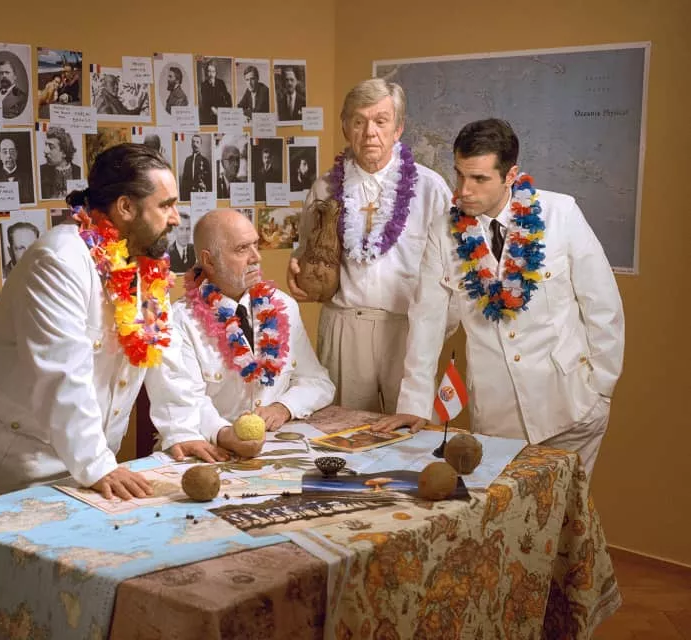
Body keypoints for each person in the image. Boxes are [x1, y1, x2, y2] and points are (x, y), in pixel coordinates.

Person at [0, 144, 182, 502]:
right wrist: (96, 464)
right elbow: (62, 372)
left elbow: (164, 356)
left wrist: (185, 430)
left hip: (84, 456)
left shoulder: (146, 265)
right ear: (125, 207)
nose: (176, 218)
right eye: (166, 205)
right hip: (12, 458)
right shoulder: (59, 259)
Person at [374, 119, 625, 477]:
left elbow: (603, 306)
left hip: (572, 407)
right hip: (496, 419)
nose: (464, 190)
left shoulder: (561, 214)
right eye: (460, 175)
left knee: (569, 510)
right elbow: (426, 319)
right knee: (506, 511)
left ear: (510, 176)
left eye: (479, 179)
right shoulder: (443, 232)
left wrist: (600, 389)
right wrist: (415, 404)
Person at [287, 78, 451, 413]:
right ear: (345, 128)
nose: (369, 133)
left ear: (398, 128)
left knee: (413, 428)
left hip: (407, 329)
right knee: (341, 430)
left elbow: (452, 271)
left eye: (381, 121)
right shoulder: (324, 188)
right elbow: (306, 250)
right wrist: (298, 271)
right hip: (345, 326)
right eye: (359, 122)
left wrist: (434, 331)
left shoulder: (431, 189)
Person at [149, 208, 335, 460]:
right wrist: (224, 434)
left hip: (272, 450)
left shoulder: (284, 306)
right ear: (209, 261)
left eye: (255, 245)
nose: (256, 257)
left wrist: (283, 407)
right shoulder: (180, 320)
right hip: (205, 450)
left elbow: (318, 382)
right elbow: (184, 401)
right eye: (241, 249)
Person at [40, 127, 82, 200]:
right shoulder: (41, 172)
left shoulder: (79, 171)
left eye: (51, 147)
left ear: (64, 152)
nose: (45, 151)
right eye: (46, 145)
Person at [0, 136, 35, 204]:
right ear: (0, 156)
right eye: (5, 152)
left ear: (16, 154)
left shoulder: (29, 179)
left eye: (12, 151)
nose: (9, 156)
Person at [198, 59, 232, 125]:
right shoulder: (204, 85)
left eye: (213, 71)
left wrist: (228, 109)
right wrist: (213, 110)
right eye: (209, 71)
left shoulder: (221, 82)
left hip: (221, 111)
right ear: (206, 72)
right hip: (210, 113)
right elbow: (205, 102)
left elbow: (227, 96)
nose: (211, 74)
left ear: (216, 72)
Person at [180, 134, 212, 200]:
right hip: (188, 195)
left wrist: (205, 188)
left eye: (197, 142)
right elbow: (184, 180)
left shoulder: (205, 161)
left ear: (200, 144)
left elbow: (209, 181)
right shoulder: (188, 160)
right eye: (193, 142)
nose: (195, 144)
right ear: (191, 144)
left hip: (200, 195)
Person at [168, 209, 195, 273]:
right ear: (175, 230)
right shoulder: (168, 253)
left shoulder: (195, 250)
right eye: (181, 229)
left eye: (188, 229)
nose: (185, 234)